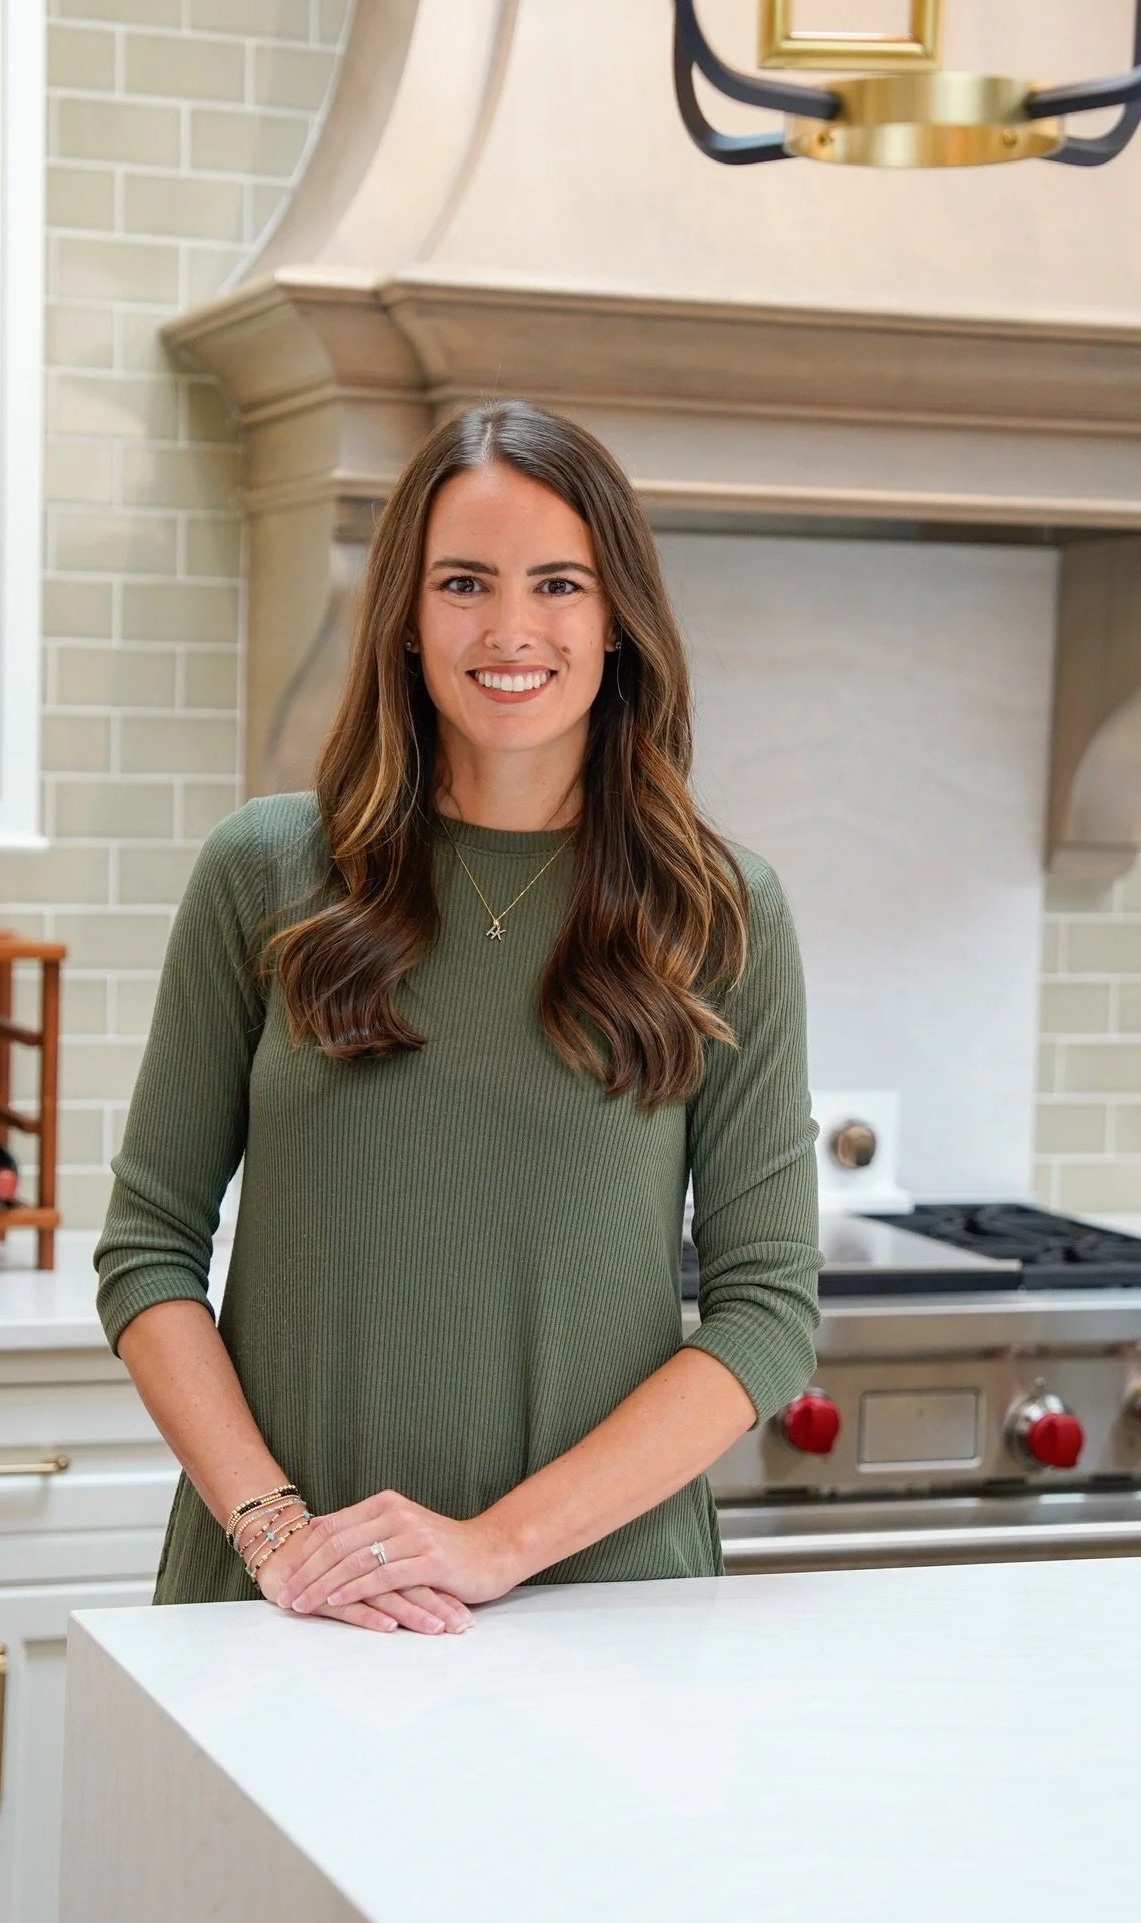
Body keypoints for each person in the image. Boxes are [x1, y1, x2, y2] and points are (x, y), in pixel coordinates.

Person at [92, 397, 824, 1636]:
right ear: (409, 617)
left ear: (617, 620)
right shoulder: (267, 871)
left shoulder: (719, 908)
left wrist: (494, 1546)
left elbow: (770, 1311)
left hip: (603, 1614)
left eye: (558, 584)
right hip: (293, 1603)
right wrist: (276, 1534)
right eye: (465, 582)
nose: (511, 628)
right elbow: (148, 1246)